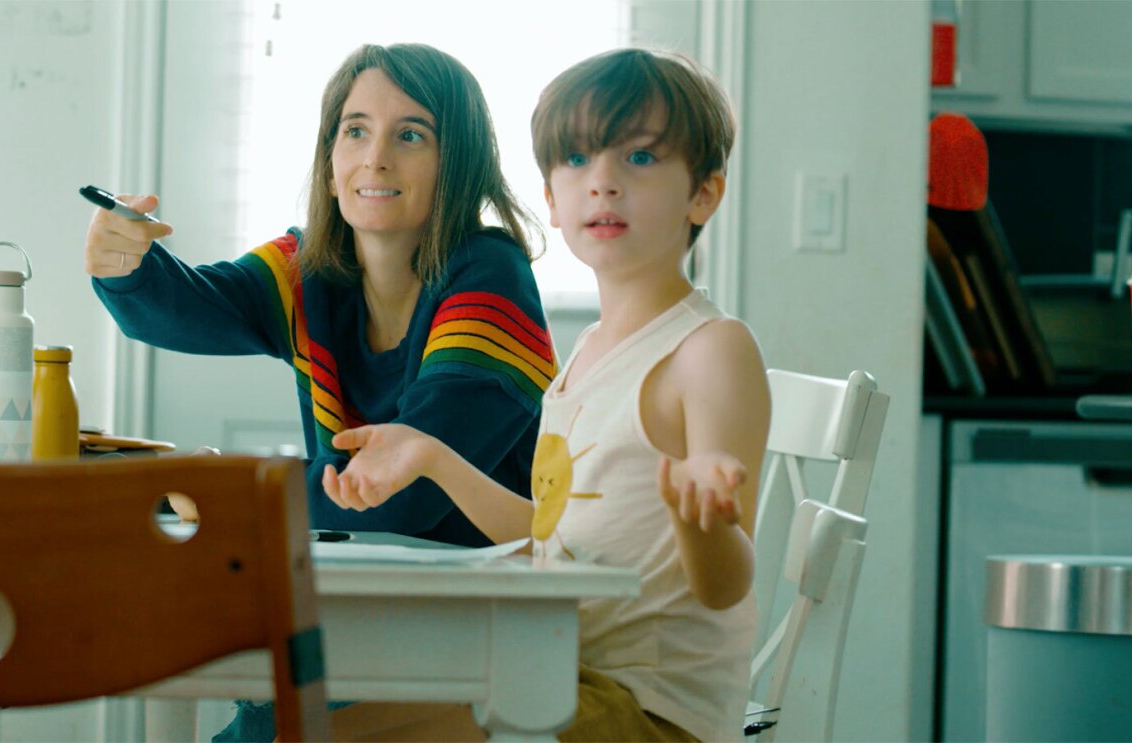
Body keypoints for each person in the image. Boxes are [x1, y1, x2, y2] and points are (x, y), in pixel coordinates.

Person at [85, 43, 554, 742]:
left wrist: (226, 494)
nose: (376, 158)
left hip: (474, 627)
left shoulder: (491, 277)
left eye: (411, 135)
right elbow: (182, 305)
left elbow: (404, 495)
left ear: (457, 165)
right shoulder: (310, 269)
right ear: (330, 162)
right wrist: (124, 261)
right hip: (359, 606)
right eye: (355, 130)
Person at [320, 48, 770, 742]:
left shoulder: (710, 350)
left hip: (644, 710)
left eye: (640, 158)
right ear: (553, 200)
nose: (604, 183)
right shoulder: (586, 356)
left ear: (704, 193)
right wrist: (433, 456)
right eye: (578, 160)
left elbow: (725, 584)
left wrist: (701, 518)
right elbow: (547, 536)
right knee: (312, 725)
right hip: (558, 672)